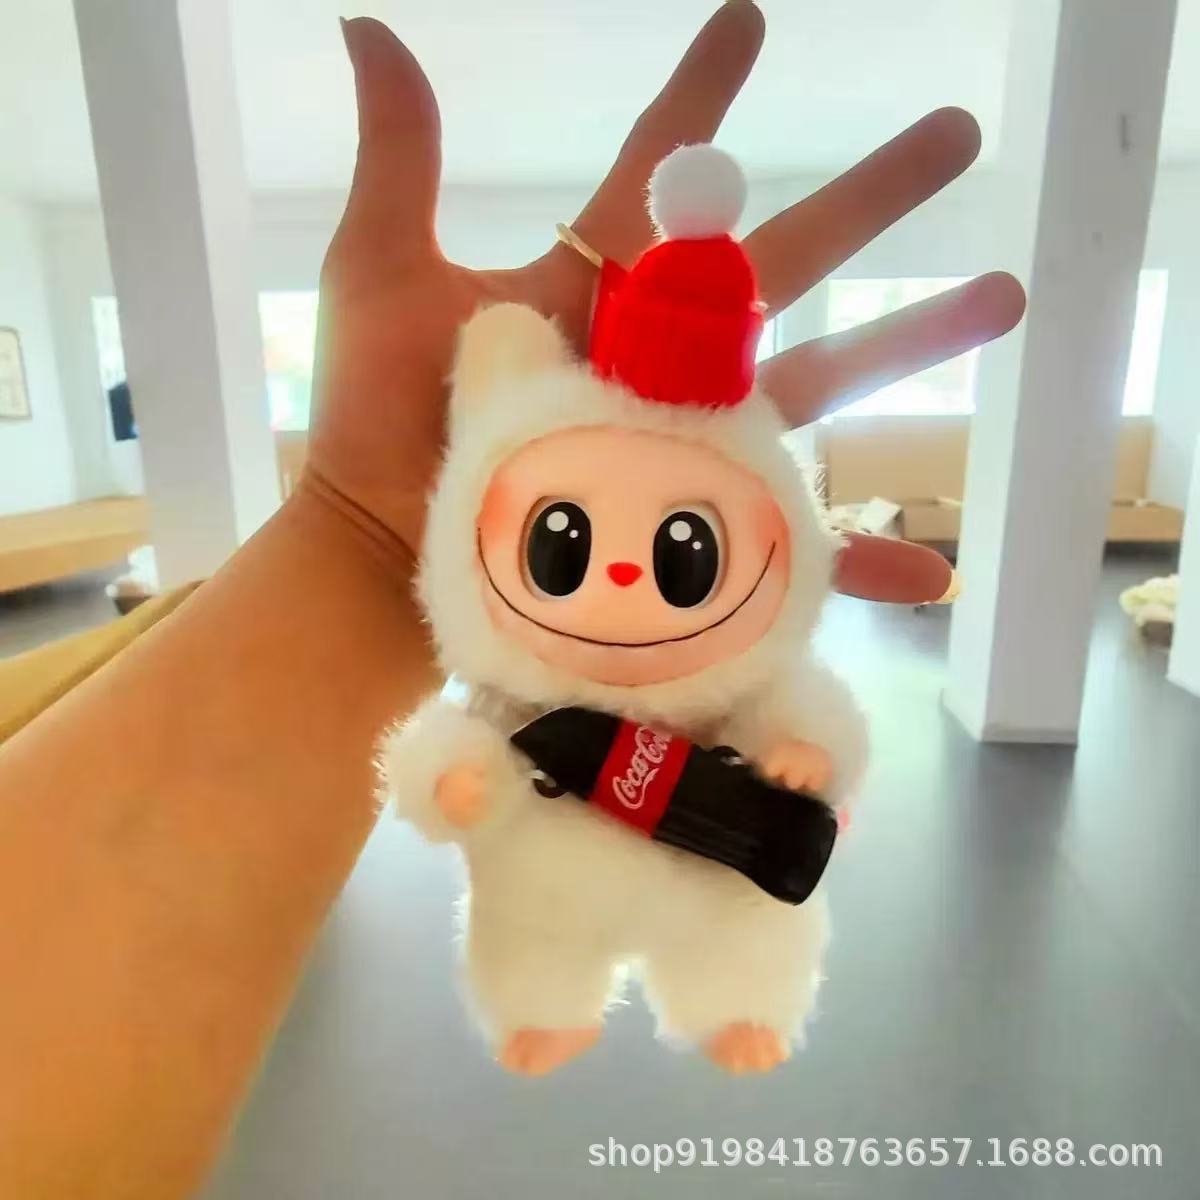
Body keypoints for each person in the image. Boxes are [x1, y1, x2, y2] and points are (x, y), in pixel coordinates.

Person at [0, 5, 1024, 1196]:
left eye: (685, 559)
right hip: (543, 858)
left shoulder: (738, 659)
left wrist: (804, 755)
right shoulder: (505, 671)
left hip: (711, 853)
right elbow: (439, 759)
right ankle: (547, 1008)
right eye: (565, 544)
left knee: (742, 936)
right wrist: (444, 756)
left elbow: (813, 723)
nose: (626, 580)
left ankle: (740, 1007)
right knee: (531, 941)